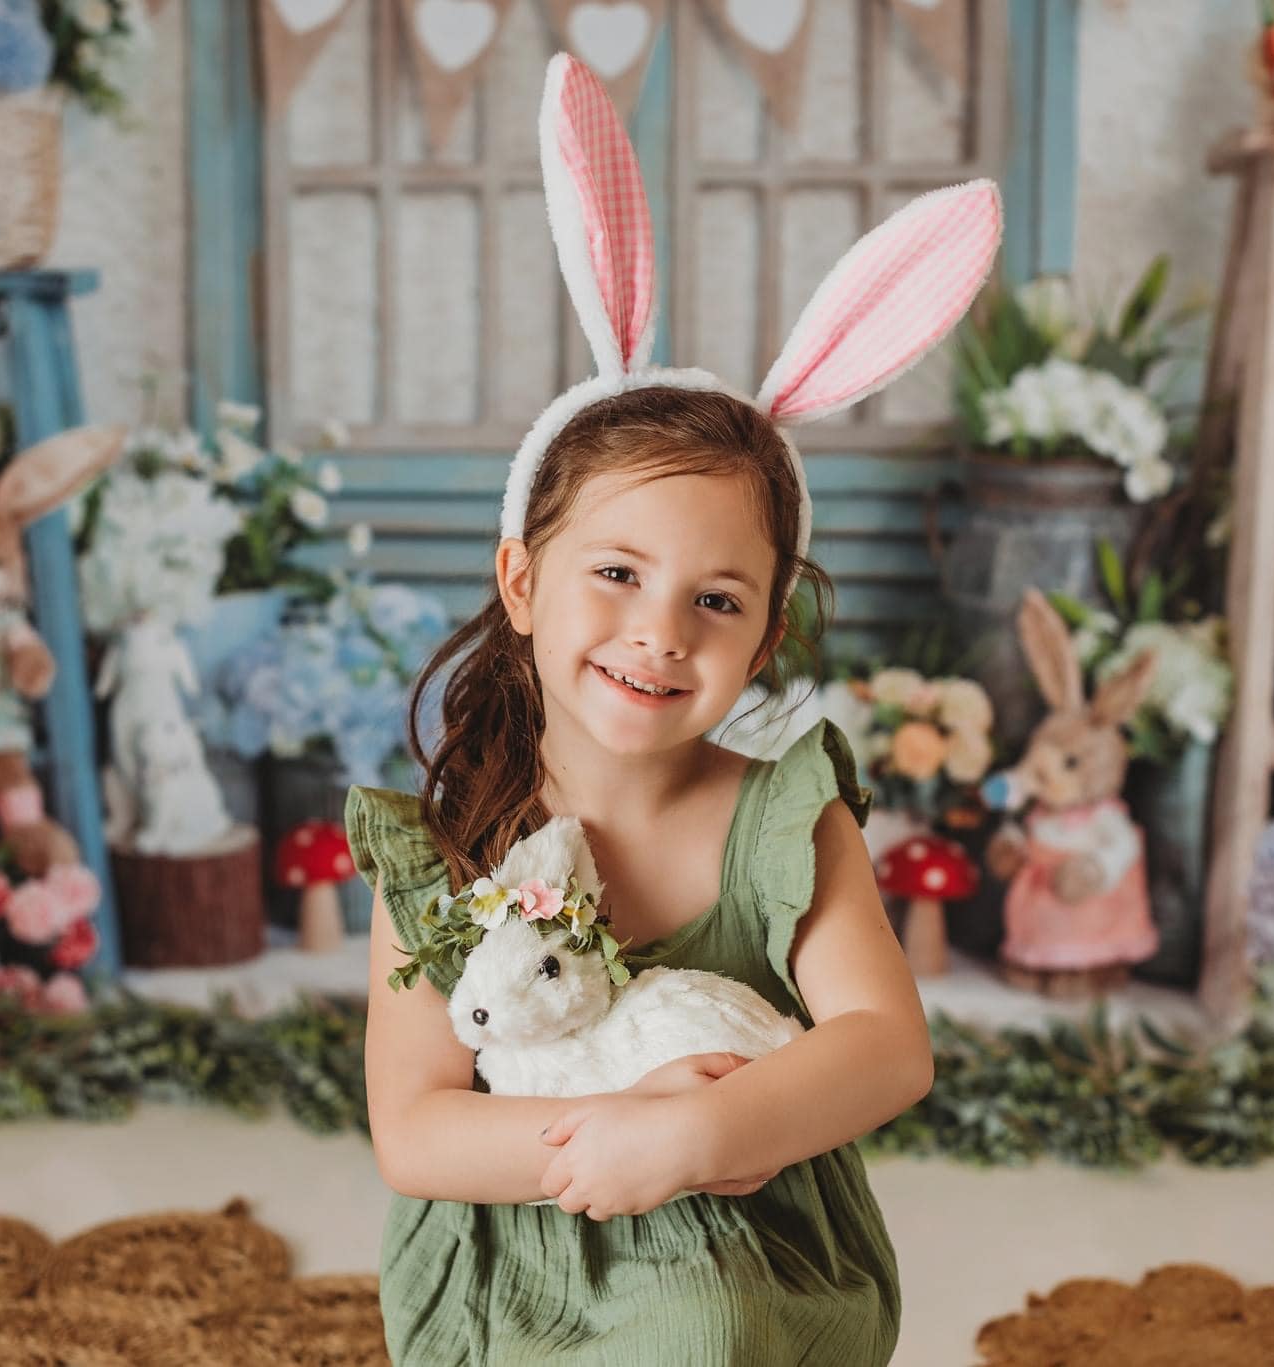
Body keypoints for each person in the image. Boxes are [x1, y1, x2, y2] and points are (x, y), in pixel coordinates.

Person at [343, 54, 1001, 1366]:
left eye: (718, 600)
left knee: (703, 1328)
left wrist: (701, 1134)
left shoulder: (782, 822)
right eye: (617, 574)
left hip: (741, 1242)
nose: (658, 631)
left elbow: (884, 1048)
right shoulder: (447, 837)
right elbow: (415, 1128)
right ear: (522, 582)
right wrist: (621, 1126)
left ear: (765, 637)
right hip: (517, 1255)